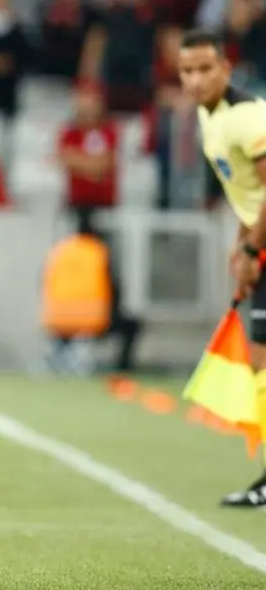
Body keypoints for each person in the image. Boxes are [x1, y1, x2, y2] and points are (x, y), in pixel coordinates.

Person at [178, 29, 266, 507]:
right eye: (186, 71)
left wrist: (252, 251)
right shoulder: (207, 116)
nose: (194, 80)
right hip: (260, 242)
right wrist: (242, 244)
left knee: (261, 361)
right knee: (259, 362)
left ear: (225, 69)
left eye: (204, 69)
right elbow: (249, 194)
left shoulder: (246, 117)